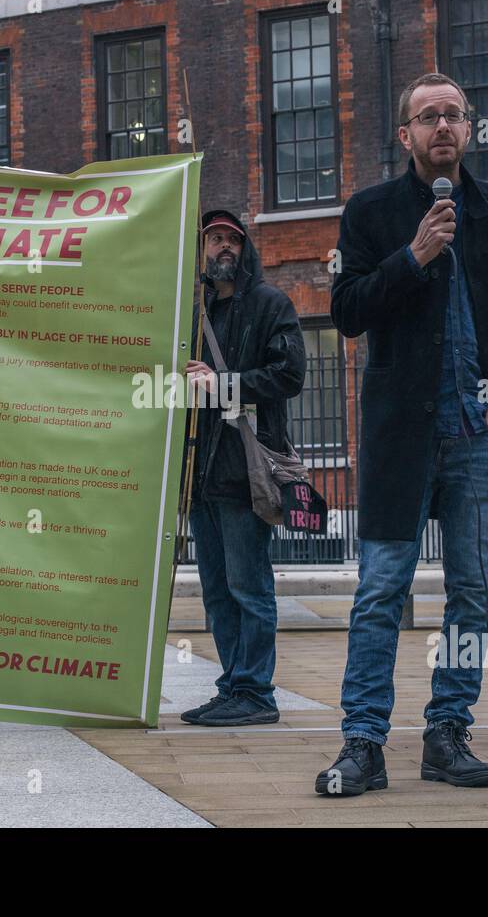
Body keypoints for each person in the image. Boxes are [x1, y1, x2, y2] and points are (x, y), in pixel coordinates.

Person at [315, 73, 488, 795]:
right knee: (381, 588)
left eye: (453, 115)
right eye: (427, 117)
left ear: (470, 129)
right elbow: (348, 310)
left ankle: (448, 733)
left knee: (473, 593)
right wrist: (413, 256)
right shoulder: (372, 212)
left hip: (482, 434)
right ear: (406, 136)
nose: (441, 127)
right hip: (402, 437)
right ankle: (363, 742)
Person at [178, 209, 306, 727]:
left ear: (244, 247)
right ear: (202, 250)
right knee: (215, 589)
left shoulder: (271, 304)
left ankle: (255, 692)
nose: (223, 247)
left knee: (249, 586)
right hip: (200, 477)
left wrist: (224, 383)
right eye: (214, 240)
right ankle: (233, 684)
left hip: (245, 472)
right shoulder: (193, 313)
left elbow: (290, 373)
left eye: (232, 239)